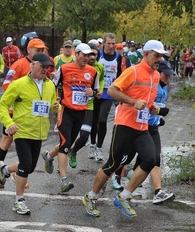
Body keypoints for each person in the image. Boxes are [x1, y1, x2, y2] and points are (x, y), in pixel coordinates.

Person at [82, 40, 169, 217]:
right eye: (156, 55)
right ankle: (91, 197)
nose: (159, 59)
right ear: (145, 54)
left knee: (151, 159)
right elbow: (113, 90)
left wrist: (154, 109)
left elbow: (146, 101)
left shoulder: (154, 75)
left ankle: (124, 195)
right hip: (124, 125)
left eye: (161, 56)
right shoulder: (133, 71)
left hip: (142, 126)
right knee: (113, 164)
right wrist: (132, 102)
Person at [0, 52, 59, 215]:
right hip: (21, 130)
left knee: (30, 167)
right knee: (25, 164)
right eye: (42, 66)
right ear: (33, 65)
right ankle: (19, 201)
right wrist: (9, 123)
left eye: (47, 67)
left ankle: (5, 170)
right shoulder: (19, 84)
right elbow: (2, 105)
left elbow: (52, 104)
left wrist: (55, 107)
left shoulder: (50, 85)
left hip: (38, 132)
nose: (45, 69)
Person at [109, 60, 176, 205]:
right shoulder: (151, 84)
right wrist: (155, 117)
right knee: (126, 158)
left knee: (154, 159)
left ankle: (158, 192)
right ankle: (113, 173)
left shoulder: (164, 88)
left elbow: (154, 107)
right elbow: (144, 104)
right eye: (166, 74)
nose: (168, 77)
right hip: (137, 125)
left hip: (150, 128)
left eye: (170, 75)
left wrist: (158, 116)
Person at [41, 43, 99, 193]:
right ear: (76, 53)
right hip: (66, 111)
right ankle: (63, 180)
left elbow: (97, 92)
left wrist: (91, 92)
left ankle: (48, 156)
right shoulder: (65, 68)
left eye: (89, 55)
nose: (87, 58)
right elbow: (52, 85)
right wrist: (56, 99)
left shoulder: (93, 72)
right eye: (84, 55)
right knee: (66, 144)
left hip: (81, 113)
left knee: (65, 143)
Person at [0, 38, 47, 188]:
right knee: (7, 141)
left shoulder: (43, 65)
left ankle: (19, 172)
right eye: (37, 49)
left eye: (42, 50)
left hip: (32, 115)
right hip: (14, 112)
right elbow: (6, 85)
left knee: (25, 145)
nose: (41, 52)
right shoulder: (19, 64)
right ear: (29, 50)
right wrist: (23, 89)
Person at [68, 43, 104, 168]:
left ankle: (73, 152)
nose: (90, 57)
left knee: (84, 136)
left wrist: (95, 92)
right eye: (87, 55)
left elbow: (97, 89)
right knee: (68, 139)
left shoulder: (96, 70)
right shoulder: (69, 68)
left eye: (92, 55)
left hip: (88, 107)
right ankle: (55, 158)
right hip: (71, 107)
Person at [89, 33, 122, 162]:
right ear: (103, 43)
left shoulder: (118, 57)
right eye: (108, 43)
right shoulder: (98, 55)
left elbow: (120, 73)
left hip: (109, 93)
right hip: (96, 91)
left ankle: (99, 147)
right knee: (94, 120)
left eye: (113, 44)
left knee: (102, 120)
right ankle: (92, 144)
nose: (111, 46)